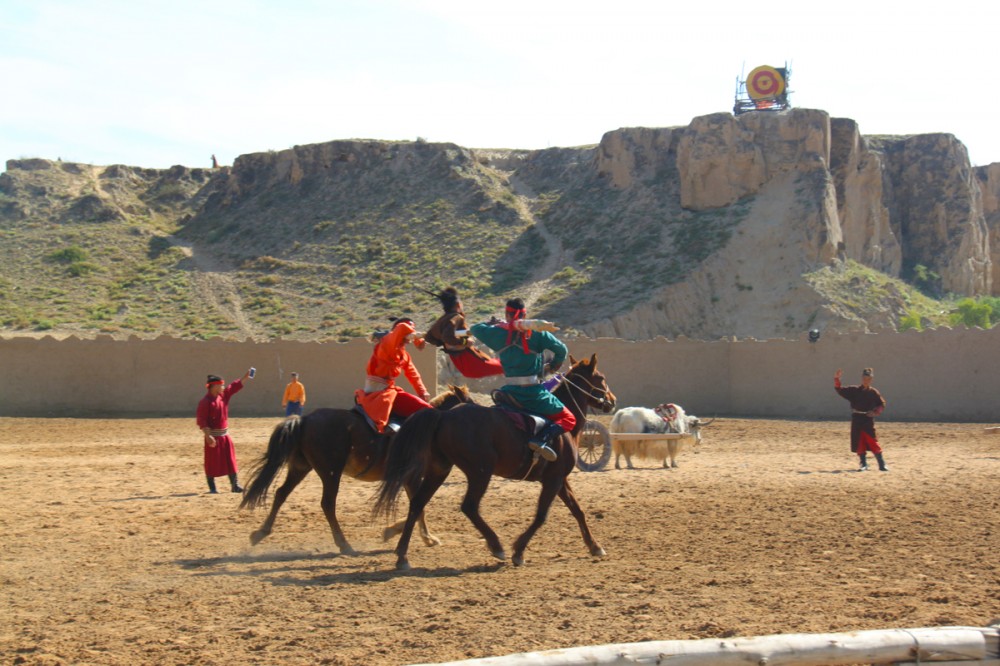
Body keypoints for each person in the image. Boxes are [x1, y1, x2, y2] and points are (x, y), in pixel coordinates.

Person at [470, 297, 575, 462]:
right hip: (533, 393)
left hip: (509, 391)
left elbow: (475, 328)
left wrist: (495, 324)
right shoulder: (536, 333)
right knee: (569, 419)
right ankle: (541, 440)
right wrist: (554, 365)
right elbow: (562, 350)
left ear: (507, 314)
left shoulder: (498, 333)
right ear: (525, 315)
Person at [354, 317, 433, 433]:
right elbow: (401, 328)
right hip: (379, 394)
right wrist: (417, 338)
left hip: (388, 391)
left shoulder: (404, 355)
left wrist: (423, 392)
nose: (410, 338)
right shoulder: (386, 344)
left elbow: (413, 374)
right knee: (428, 411)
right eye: (410, 331)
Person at [423, 286, 503, 379]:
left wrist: (447, 345)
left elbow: (429, 337)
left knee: (504, 365)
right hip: (471, 363)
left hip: (465, 364)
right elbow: (448, 337)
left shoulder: (443, 319)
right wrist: (464, 342)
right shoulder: (456, 317)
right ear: (458, 305)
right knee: (508, 367)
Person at [196, 369, 253, 493]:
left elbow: (233, 387)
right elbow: (202, 421)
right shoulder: (205, 402)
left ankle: (235, 485)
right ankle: (212, 488)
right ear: (214, 386)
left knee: (230, 460)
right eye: (221, 385)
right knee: (212, 462)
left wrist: (245, 377)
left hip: (225, 436)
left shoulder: (223, 396)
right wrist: (208, 436)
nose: (223, 387)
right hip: (213, 437)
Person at [834, 367, 888, 472]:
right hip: (856, 419)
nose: (866, 380)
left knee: (872, 441)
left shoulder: (873, 392)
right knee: (859, 442)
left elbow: (882, 404)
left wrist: (876, 412)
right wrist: (836, 379)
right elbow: (839, 390)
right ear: (862, 378)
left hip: (868, 419)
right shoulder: (854, 390)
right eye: (864, 378)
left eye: (868, 378)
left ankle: (882, 464)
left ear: (871, 379)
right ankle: (863, 464)